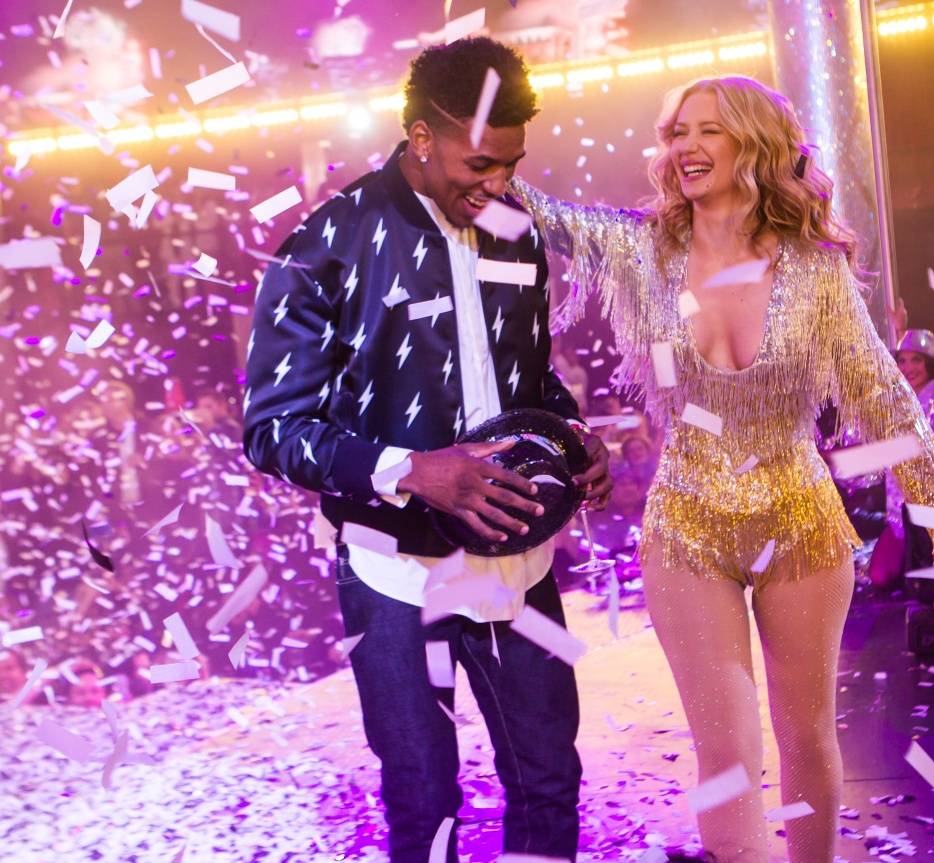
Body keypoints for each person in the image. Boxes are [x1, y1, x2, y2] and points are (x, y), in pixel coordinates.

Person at [511, 76, 934, 863]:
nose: (684, 147)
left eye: (706, 130)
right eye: (676, 132)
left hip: (797, 516)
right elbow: (549, 217)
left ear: (753, 143)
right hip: (687, 520)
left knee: (805, 736)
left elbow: (882, 391)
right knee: (727, 752)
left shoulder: (815, 270)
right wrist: (473, 155)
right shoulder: (644, 250)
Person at [242, 38, 611, 863]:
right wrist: (413, 471)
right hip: (393, 575)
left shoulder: (515, 229)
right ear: (419, 137)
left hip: (520, 564)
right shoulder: (326, 242)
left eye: (511, 164)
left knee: (550, 782)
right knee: (424, 803)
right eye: (480, 164)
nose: (500, 184)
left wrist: (572, 436)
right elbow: (272, 429)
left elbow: (526, 376)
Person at [868, 330, 934, 590]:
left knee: (906, 580)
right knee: (880, 576)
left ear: (930, 363)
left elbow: (931, 463)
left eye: (916, 360)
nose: (908, 368)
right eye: (902, 360)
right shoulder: (904, 400)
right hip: (904, 514)